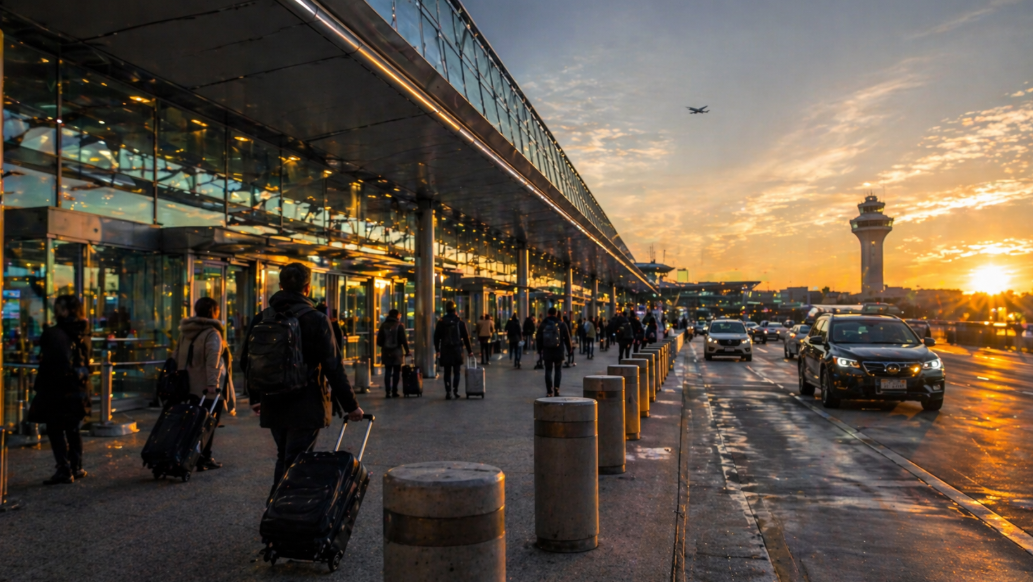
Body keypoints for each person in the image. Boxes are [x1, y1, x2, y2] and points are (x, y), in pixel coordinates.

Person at [240, 263, 363, 496]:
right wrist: (352, 406)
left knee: (285, 455)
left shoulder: (263, 317)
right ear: (307, 288)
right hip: (305, 401)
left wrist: (255, 397)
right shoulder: (316, 319)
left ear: (280, 285)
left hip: (272, 400)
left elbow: (248, 361)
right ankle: (282, 512)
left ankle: (279, 509)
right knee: (297, 459)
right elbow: (333, 366)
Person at [29, 295, 91, 485]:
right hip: (79, 387)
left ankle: (64, 469)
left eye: (58, 307)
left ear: (64, 311)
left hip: (57, 389)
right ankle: (76, 466)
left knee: (55, 428)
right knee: (73, 428)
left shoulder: (53, 333)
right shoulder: (83, 332)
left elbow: (52, 364)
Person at [175, 296, 234, 471]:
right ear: (214, 312)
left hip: (189, 385)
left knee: (193, 422)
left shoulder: (185, 332)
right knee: (208, 423)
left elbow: (177, 356)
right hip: (207, 388)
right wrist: (212, 384)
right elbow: (213, 360)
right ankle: (203, 458)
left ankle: (189, 454)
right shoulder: (212, 333)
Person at [434, 301, 473, 399]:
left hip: (445, 349)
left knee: (447, 372)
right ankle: (455, 391)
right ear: (455, 309)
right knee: (457, 371)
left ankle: (448, 392)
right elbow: (466, 337)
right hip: (457, 349)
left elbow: (436, 337)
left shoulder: (441, 322)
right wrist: (470, 351)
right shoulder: (459, 321)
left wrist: (437, 349)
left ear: (446, 309)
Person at [536, 307, 573, 396]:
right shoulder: (561, 324)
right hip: (558, 351)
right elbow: (567, 338)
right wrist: (570, 349)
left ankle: (549, 391)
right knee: (558, 370)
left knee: (548, 370)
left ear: (548, 313)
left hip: (547, 351)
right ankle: (557, 389)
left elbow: (538, 337)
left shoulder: (544, 324)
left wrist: (539, 349)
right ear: (556, 314)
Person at [376, 308, 410, 398]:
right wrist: (407, 351)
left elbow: (379, 341)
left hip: (386, 351)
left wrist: (384, 345)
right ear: (396, 315)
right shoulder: (399, 326)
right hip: (397, 351)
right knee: (396, 372)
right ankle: (395, 391)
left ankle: (387, 392)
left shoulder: (383, 326)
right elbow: (404, 340)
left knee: (387, 371)